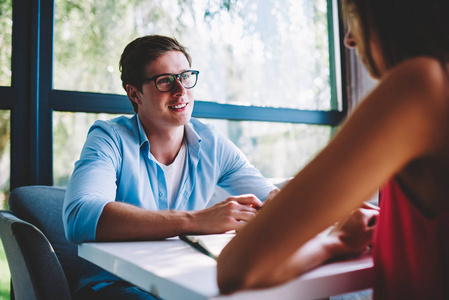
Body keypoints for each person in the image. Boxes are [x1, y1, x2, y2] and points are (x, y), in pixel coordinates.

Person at [63, 35, 378, 300]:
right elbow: (80, 216)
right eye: (164, 81)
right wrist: (197, 220)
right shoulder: (109, 138)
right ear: (134, 93)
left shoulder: (211, 143)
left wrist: (340, 210)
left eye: (185, 77)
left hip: (184, 284)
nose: (181, 91)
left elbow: (270, 198)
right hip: (112, 286)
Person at [217, 0, 449, 299]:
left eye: (353, 14)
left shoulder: (422, 85)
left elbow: (237, 266)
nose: (349, 39)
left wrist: (336, 241)